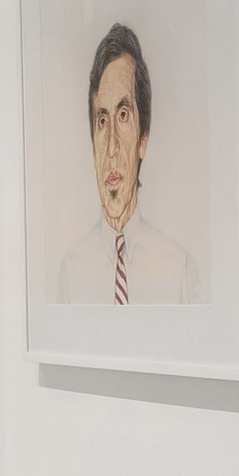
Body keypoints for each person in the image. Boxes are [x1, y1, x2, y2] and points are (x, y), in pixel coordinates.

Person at [49, 22, 202, 303]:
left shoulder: (178, 269)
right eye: (102, 120)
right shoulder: (69, 273)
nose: (111, 147)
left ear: (143, 137)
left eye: (122, 116)